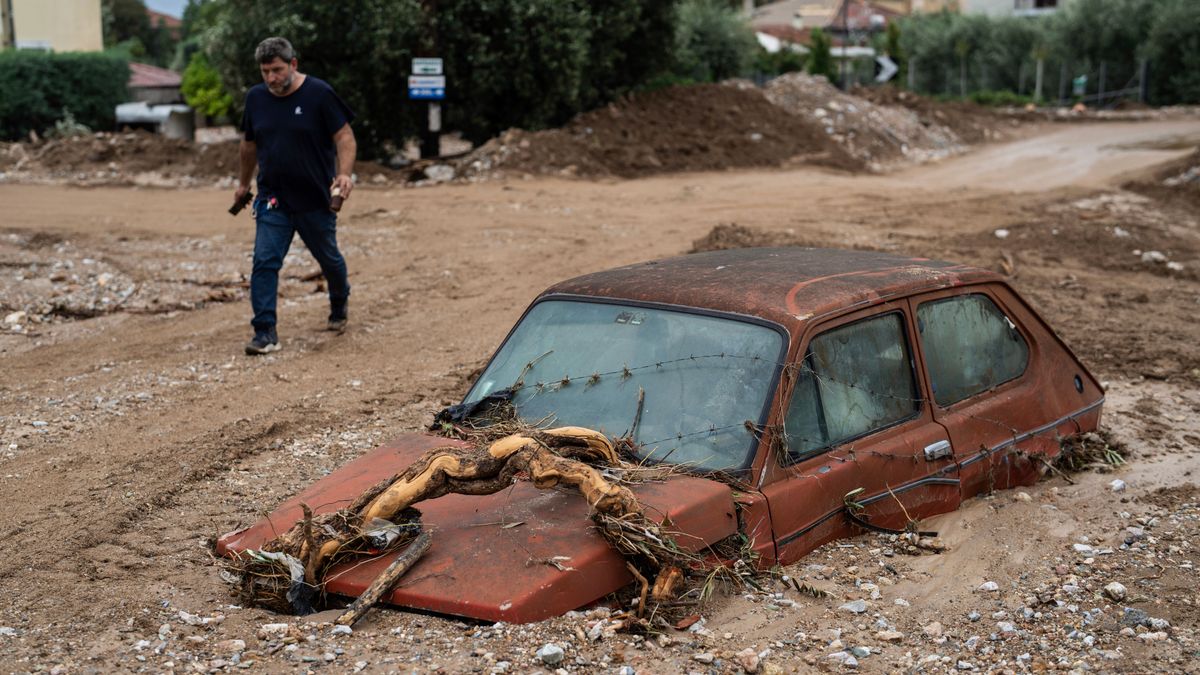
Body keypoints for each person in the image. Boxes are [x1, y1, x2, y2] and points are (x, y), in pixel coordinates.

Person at [235, 37, 356, 355]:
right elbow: (248, 145)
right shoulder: (256, 98)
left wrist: (344, 173)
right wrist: (243, 183)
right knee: (264, 262)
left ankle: (339, 302)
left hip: (316, 199)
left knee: (329, 260)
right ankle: (264, 332)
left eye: (276, 70)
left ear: (293, 64)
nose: (271, 78)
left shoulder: (319, 94)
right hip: (273, 198)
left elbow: (344, 135)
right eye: (265, 71)